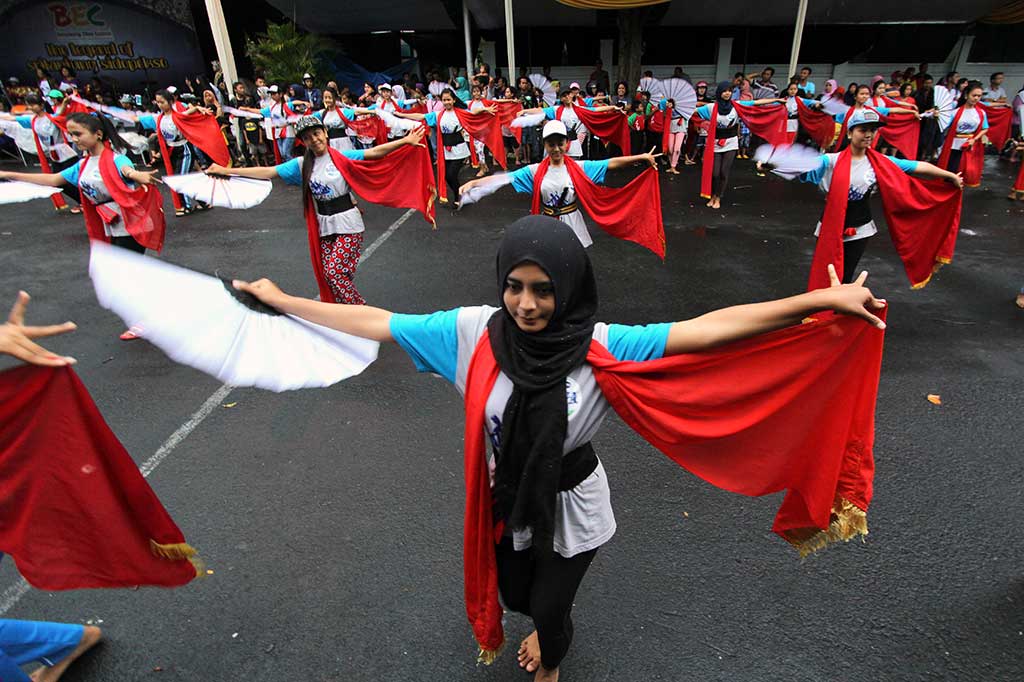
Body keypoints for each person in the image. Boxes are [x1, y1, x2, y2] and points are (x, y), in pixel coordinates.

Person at [227, 214, 890, 681]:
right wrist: (285, 300)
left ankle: (553, 655)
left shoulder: (601, 346)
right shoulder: (468, 335)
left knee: (549, 608)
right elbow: (375, 321)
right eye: (515, 286)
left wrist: (819, 299)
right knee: (516, 597)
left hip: (574, 504)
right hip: (505, 503)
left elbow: (706, 330)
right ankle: (539, 624)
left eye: (542, 288)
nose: (526, 303)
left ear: (567, 288)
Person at [204, 116, 429, 305]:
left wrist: (405, 141)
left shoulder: (342, 157)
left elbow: (376, 153)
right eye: (308, 136)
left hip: (349, 224)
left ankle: (360, 311)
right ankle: (345, 314)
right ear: (304, 141)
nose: (315, 139)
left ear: (325, 133)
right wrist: (226, 171)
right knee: (337, 275)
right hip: (324, 226)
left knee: (333, 272)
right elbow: (268, 171)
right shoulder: (302, 165)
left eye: (317, 133)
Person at [0, 113, 164, 339]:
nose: (74, 139)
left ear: (98, 134)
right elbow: (54, 179)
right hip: (110, 222)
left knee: (125, 272)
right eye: (71, 135)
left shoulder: (116, 159)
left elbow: (128, 171)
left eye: (78, 134)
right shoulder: (83, 164)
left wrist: (138, 175)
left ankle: (147, 318)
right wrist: (10, 174)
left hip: (131, 222)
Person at [778, 109, 963, 284]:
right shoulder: (830, 161)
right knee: (828, 272)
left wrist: (950, 176)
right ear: (850, 133)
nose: (868, 134)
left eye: (873, 130)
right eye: (863, 130)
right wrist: (770, 165)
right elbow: (799, 165)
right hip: (830, 225)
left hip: (861, 227)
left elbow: (917, 166)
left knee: (847, 274)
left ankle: (839, 312)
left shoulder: (881, 162)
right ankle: (822, 311)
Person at [458, 119, 662, 251]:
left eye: (560, 143)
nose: (556, 148)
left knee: (572, 261)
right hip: (547, 220)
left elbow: (611, 163)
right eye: (551, 144)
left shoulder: (579, 167)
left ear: (567, 143)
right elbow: (504, 179)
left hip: (572, 220)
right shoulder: (535, 170)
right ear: (545, 145)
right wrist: (475, 182)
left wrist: (642, 157)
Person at [136, 88, 222, 215]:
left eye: (162, 102)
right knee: (183, 178)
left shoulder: (176, 116)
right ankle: (203, 201)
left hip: (184, 150)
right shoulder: (159, 118)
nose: (160, 105)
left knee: (180, 178)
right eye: (158, 102)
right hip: (173, 151)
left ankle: (186, 205)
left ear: (170, 102)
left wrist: (199, 109)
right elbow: (138, 120)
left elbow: (189, 112)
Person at [695, 82, 780, 209]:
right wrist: (672, 106)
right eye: (724, 91)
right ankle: (712, 195)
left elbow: (756, 103)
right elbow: (692, 111)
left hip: (731, 142)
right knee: (715, 173)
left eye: (729, 90)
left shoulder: (737, 105)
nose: (727, 93)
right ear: (719, 93)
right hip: (715, 143)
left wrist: (777, 100)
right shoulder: (711, 107)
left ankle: (718, 197)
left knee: (724, 172)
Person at [0, 93, 81, 214]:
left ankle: (86, 201)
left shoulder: (52, 117)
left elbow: (61, 115)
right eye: (29, 105)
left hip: (66, 153)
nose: (31, 107)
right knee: (59, 183)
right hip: (54, 155)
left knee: (75, 180)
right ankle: (82, 202)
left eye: (33, 104)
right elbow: (12, 118)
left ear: (41, 105)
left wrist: (64, 103)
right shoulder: (33, 120)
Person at [938, 81, 990, 187]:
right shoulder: (955, 112)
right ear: (966, 95)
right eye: (974, 95)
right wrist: (937, 116)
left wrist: (974, 139)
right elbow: (944, 125)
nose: (976, 98)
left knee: (965, 175)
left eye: (979, 96)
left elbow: (985, 128)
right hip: (954, 146)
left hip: (970, 146)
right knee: (952, 173)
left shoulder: (981, 113)